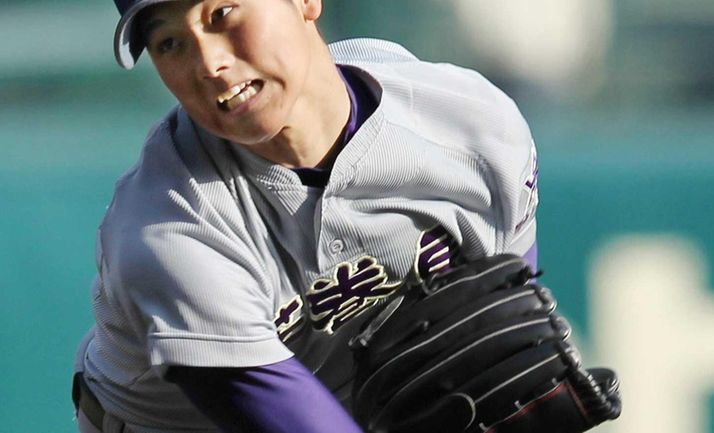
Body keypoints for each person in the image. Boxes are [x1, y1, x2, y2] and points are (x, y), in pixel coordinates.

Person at [72, 0, 542, 432]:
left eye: (222, 13)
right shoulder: (169, 227)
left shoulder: (472, 127)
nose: (209, 64)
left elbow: (509, 336)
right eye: (170, 43)